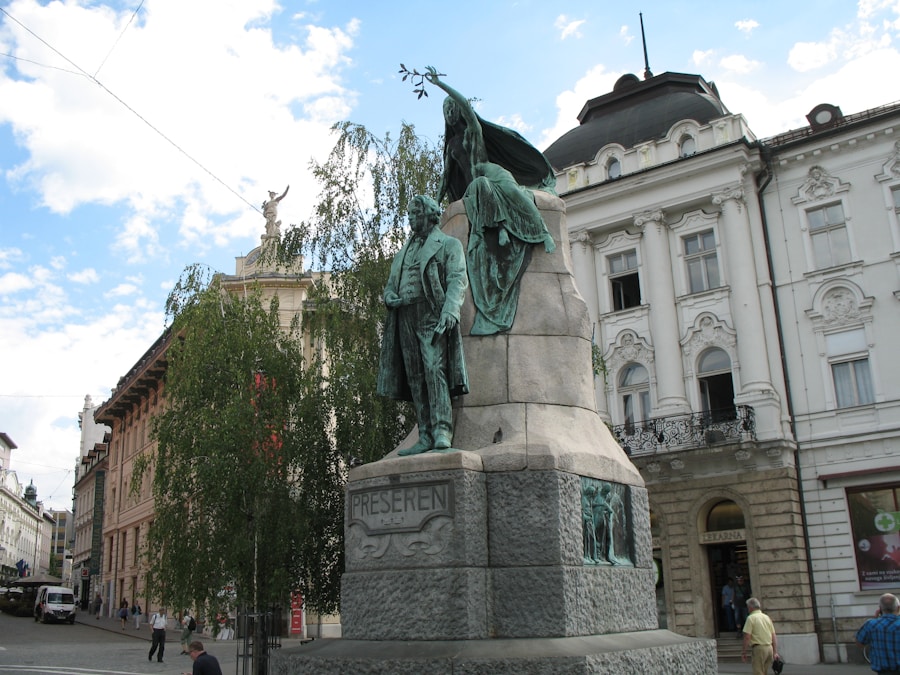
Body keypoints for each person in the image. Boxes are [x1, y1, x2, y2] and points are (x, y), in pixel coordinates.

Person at [423, 67, 557, 336]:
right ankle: (500, 230)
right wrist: (434, 205)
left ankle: (539, 234)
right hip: (476, 187)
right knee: (479, 188)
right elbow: (446, 177)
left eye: (452, 107)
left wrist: (440, 85)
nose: (450, 112)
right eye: (446, 110)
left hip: (491, 174)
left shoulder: (473, 132)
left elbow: (467, 107)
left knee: (514, 195)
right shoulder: (452, 145)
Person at [377, 194, 469, 455]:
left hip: (431, 314)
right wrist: (389, 296)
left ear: (430, 215)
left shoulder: (448, 244)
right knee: (415, 376)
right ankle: (425, 433)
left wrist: (450, 310)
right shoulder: (402, 252)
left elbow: (457, 279)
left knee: (434, 368)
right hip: (405, 316)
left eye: (415, 214)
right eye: (409, 214)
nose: (411, 219)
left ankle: (442, 430)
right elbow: (391, 285)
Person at [856, 592, 900, 673]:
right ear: (898, 608)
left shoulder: (871, 624)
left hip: (883, 672)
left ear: (880, 609)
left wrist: (875, 618)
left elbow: (859, 643)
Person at [741, 597, 779, 675]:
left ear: (750, 608)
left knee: (758, 672)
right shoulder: (766, 617)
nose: (748, 609)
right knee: (764, 672)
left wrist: (744, 651)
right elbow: (773, 635)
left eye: (748, 607)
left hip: (759, 648)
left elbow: (747, 637)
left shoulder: (751, 618)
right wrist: (775, 652)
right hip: (769, 648)